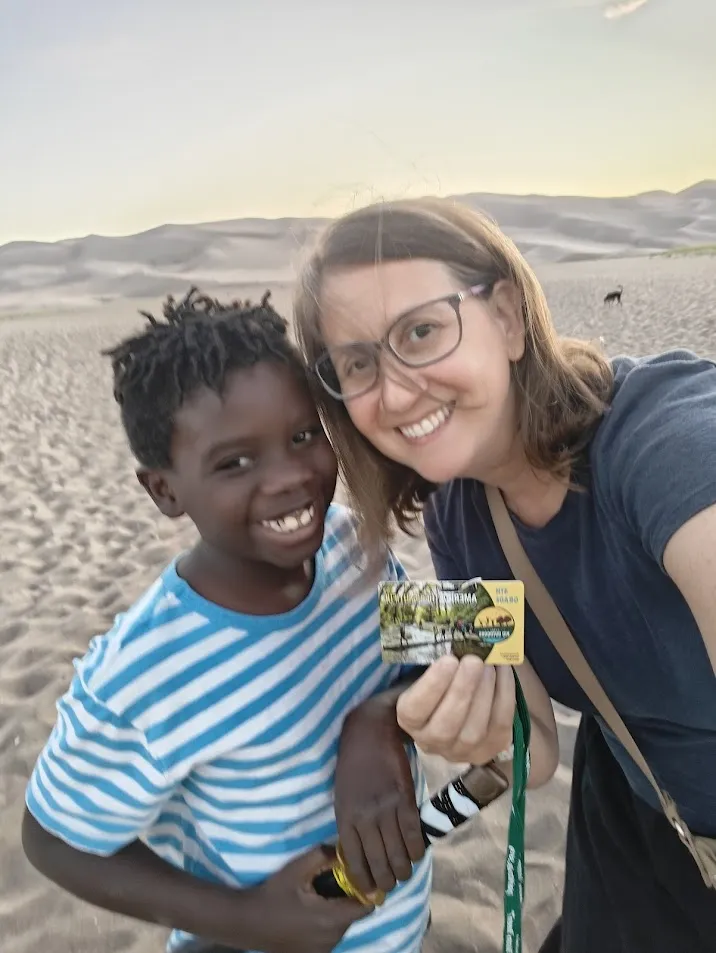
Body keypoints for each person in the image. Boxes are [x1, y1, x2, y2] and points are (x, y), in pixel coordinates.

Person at [292, 197, 716, 953]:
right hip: (631, 818)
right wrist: (386, 748)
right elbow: (529, 749)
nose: (393, 393)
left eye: (421, 330)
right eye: (357, 364)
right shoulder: (459, 511)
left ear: (511, 316)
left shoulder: (667, 441)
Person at [21, 288, 438, 953]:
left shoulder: (351, 547)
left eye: (303, 435)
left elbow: (444, 642)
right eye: (234, 462)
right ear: (165, 490)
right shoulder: (151, 666)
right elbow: (51, 839)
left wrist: (380, 717)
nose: (289, 477)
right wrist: (248, 918)